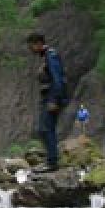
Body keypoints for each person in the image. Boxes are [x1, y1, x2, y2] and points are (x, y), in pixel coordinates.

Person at [26, 32, 69, 172]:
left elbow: (57, 79)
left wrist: (53, 100)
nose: (30, 49)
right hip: (47, 98)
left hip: (51, 98)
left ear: (38, 43)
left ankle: (52, 162)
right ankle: (51, 159)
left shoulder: (51, 55)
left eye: (31, 46)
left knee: (46, 129)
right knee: (43, 129)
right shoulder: (46, 56)